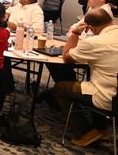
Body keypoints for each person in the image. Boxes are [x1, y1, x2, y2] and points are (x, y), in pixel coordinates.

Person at [50, 9, 118, 148]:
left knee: (60, 89)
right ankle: (101, 126)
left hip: (108, 95)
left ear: (90, 28)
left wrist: (75, 33)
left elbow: (67, 57)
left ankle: (89, 131)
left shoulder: (95, 42)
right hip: (114, 88)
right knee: (75, 85)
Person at [46, 0, 114, 83]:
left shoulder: (102, 13)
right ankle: (66, 85)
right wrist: (73, 31)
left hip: (88, 50)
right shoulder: (94, 9)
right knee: (51, 53)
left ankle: (68, 86)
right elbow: (77, 25)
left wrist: (73, 34)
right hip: (80, 44)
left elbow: (87, 37)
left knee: (53, 57)